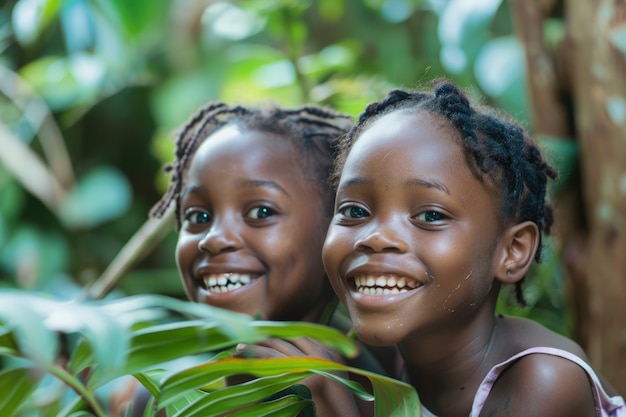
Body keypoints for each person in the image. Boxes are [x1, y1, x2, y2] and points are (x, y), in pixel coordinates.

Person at [321, 79, 626, 417]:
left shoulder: (544, 380)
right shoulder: (376, 353)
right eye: (354, 211)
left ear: (513, 251)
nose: (376, 237)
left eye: (430, 215)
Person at [122, 101, 391, 417]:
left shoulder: (377, 394)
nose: (214, 239)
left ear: (334, 230)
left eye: (261, 212)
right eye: (198, 215)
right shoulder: (165, 393)